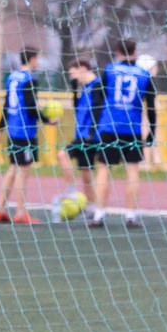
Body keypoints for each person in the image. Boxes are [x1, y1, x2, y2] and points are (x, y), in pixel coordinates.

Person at [89, 39, 157, 228]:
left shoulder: (110, 70)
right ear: (135, 52)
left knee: (104, 168)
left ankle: (99, 214)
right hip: (132, 128)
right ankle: (131, 215)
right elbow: (151, 106)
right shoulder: (144, 74)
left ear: (118, 52)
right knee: (133, 170)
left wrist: (93, 128)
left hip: (109, 126)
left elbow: (99, 99)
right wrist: (152, 131)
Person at [0, 47, 59, 225]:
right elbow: (30, 107)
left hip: (12, 130)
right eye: (37, 59)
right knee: (23, 171)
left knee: (13, 168)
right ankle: (20, 212)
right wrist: (47, 120)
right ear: (32, 59)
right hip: (25, 132)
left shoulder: (12, 77)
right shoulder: (30, 79)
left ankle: (0, 209)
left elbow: (6, 105)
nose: (38, 62)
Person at [52, 59, 100, 222]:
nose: (71, 76)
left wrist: (93, 133)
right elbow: (77, 107)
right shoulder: (83, 88)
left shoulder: (97, 85)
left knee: (62, 154)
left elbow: (98, 110)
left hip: (89, 136)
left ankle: (72, 191)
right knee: (86, 173)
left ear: (83, 69)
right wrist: (73, 89)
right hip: (81, 135)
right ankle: (93, 207)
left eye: (73, 72)